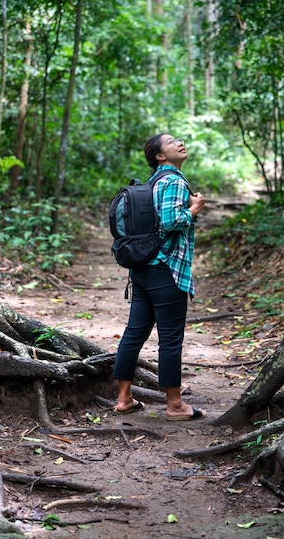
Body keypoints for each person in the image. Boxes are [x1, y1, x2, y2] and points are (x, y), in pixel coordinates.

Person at [112, 133, 206, 421]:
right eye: (171, 141)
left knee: (133, 334)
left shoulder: (152, 182)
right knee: (170, 338)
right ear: (160, 156)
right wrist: (194, 209)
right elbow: (170, 222)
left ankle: (124, 398)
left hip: (141, 269)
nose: (179, 142)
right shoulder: (174, 181)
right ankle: (176, 405)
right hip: (166, 270)